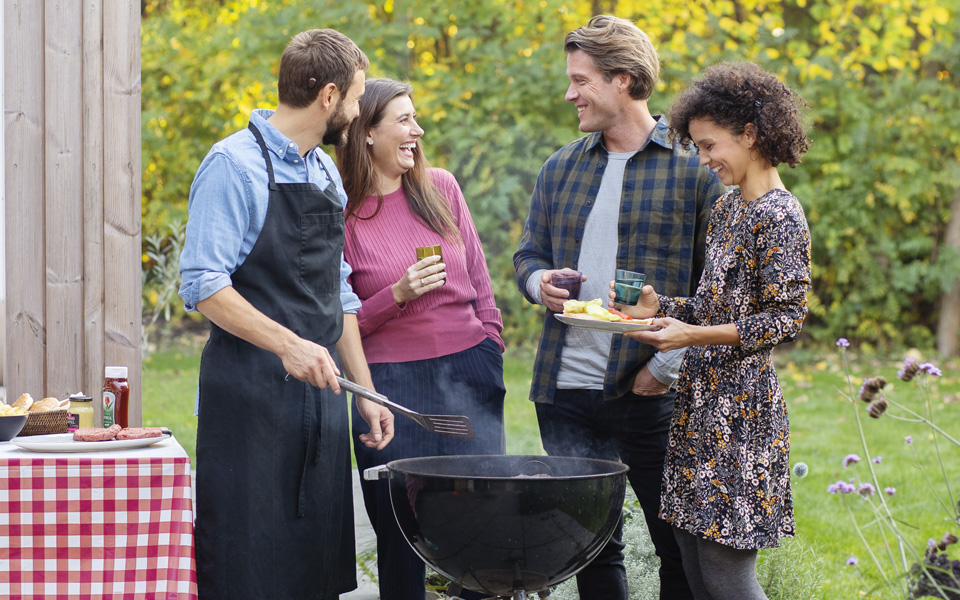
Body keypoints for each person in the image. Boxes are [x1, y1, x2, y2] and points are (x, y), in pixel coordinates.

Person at [513, 15, 726, 600]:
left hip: (650, 390)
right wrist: (540, 284)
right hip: (566, 393)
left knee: (677, 549)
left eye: (581, 80)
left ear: (623, 80)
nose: (570, 93)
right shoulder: (560, 167)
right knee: (590, 551)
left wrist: (663, 372)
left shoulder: (695, 169)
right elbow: (528, 253)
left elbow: (718, 287)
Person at [177, 29, 395, 600]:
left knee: (314, 570)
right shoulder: (233, 165)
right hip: (248, 403)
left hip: (319, 401)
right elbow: (203, 285)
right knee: (251, 566)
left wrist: (365, 390)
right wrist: (288, 345)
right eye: (355, 96)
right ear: (328, 95)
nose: (357, 109)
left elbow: (338, 291)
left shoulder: (323, 170)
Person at [613, 61, 812, 600]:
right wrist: (659, 307)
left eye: (708, 145)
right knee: (694, 567)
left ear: (750, 134)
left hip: (742, 416)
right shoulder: (726, 210)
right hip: (698, 408)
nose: (702, 159)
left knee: (726, 575)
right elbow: (709, 305)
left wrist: (688, 337)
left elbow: (784, 318)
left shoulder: (781, 215)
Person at [336, 78, 506, 600]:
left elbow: (479, 280)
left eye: (416, 117)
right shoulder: (341, 212)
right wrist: (398, 294)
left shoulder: (441, 188)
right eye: (404, 120)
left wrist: (490, 350)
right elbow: (337, 326)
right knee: (400, 531)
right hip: (389, 387)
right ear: (365, 133)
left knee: (481, 523)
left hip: (469, 371)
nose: (418, 129)